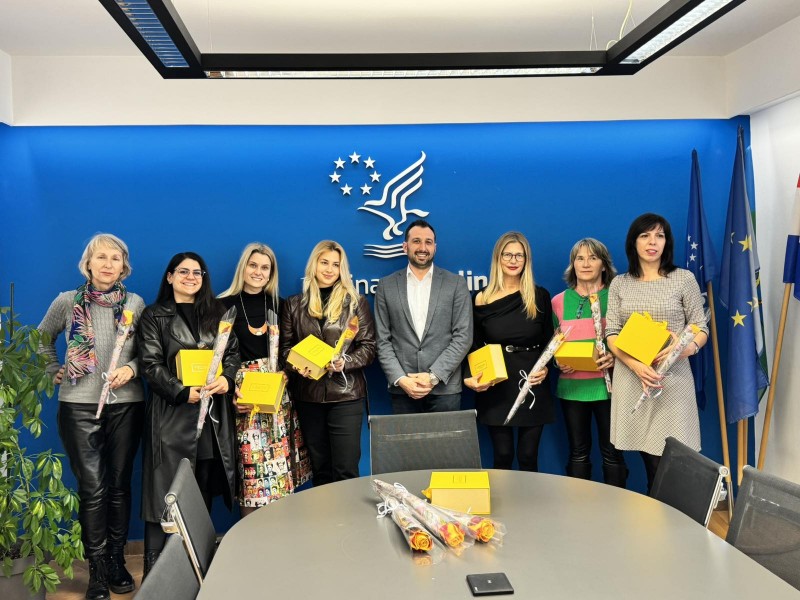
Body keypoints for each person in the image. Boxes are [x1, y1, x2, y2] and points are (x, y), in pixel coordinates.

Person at [38, 233, 144, 600]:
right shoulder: (66, 302)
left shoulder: (135, 303)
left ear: (124, 266)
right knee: (93, 488)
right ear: (88, 264)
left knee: (119, 485)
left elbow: (149, 350)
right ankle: (97, 569)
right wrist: (50, 368)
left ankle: (116, 561)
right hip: (78, 405)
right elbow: (42, 338)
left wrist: (130, 369)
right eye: (101, 257)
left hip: (126, 404)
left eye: (115, 258)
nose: (108, 264)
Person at [137, 252, 240, 575]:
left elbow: (232, 353)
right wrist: (181, 391)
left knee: (202, 486)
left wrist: (227, 379)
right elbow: (150, 364)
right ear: (170, 277)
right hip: (172, 415)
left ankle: (197, 564)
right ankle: (157, 571)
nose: (191, 277)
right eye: (183, 272)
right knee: (165, 492)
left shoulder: (218, 313)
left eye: (197, 272)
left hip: (211, 418)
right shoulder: (154, 316)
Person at [606, 213, 708, 492]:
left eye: (659, 236)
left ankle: (668, 514)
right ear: (633, 242)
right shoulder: (620, 283)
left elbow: (700, 327)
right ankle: (653, 512)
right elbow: (611, 334)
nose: (653, 242)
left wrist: (687, 348)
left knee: (668, 458)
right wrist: (635, 366)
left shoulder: (683, 279)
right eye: (645, 236)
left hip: (671, 380)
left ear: (667, 242)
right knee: (648, 458)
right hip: (632, 378)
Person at [219, 243, 311, 516]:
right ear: (243, 267)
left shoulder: (280, 305)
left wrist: (289, 372)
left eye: (265, 267)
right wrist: (231, 393)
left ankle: (280, 537)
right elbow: (215, 357)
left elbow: (291, 350)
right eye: (253, 265)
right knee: (252, 475)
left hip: (277, 396)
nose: (258, 272)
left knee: (279, 475)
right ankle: (250, 539)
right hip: (243, 397)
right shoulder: (222, 305)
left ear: (271, 273)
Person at [279, 240, 375, 486]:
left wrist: (345, 362)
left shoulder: (355, 302)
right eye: (324, 263)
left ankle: (349, 513)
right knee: (320, 471)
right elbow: (285, 349)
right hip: (308, 396)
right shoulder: (293, 304)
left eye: (335, 264)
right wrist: (296, 364)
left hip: (346, 396)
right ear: (314, 265)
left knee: (345, 470)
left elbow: (369, 347)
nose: (329, 269)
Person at [463, 232, 552, 472]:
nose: (513, 260)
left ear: (526, 260)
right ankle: (502, 498)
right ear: (498, 258)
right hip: (496, 383)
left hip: (532, 381)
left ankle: (529, 499)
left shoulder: (539, 296)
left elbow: (549, 341)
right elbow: (473, 344)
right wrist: (471, 376)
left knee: (528, 456)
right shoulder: (481, 298)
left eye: (519, 255)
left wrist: (545, 368)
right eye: (507, 255)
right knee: (502, 455)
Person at [374, 220, 473, 414]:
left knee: (446, 437)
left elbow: (463, 336)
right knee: (406, 437)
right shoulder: (386, 286)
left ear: (435, 247)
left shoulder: (456, 284)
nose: (423, 248)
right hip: (404, 388)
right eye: (416, 241)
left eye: (428, 242)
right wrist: (401, 379)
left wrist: (433, 376)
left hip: (445, 389)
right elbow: (382, 340)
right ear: (405, 246)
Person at [551, 238, 627, 487]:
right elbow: (553, 344)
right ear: (572, 264)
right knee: (578, 453)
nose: (585, 264)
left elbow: (629, 339)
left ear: (604, 265)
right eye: (580, 258)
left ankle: (616, 505)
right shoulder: (558, 301)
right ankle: (579, 505)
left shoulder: (616, 296)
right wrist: (559, 362)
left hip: (610, 389)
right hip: (572, 388)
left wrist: (615, 356)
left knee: (613, 454)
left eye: (593, 258)